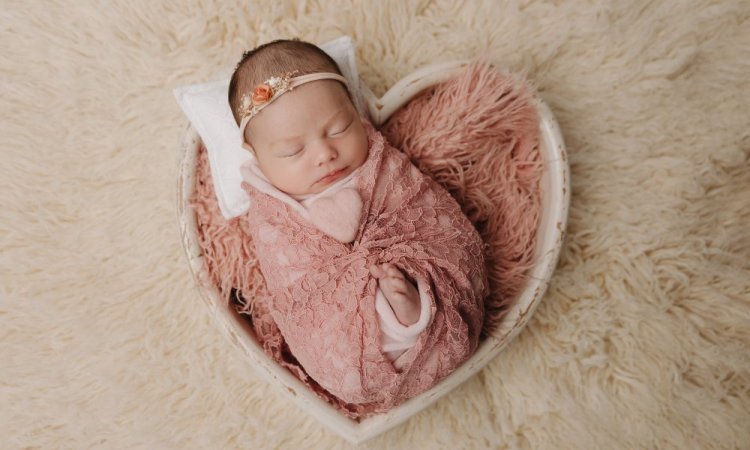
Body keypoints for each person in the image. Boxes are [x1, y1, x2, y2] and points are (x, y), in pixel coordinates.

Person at [227, 39, 487, 411]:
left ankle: (414, 310)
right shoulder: (271, 208)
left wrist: (401, 265)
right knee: (344, 336)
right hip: (341, 330)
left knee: (413, 275)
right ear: (258, 156)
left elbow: (429, 218)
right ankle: (401, 323)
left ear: (356, 112)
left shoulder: (382, 168)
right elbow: (292, 281)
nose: (325, 154)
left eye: (338, 128)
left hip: (416, 279)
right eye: (292, 151)